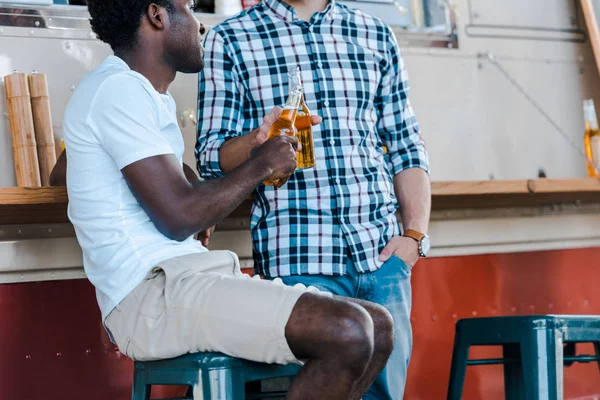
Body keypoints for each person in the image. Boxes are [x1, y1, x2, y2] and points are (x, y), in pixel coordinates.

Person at [55, 1, 394, 399]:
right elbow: (180, 217)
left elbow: (64, 168)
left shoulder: (136, 94)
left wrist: (189, 178)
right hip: (150, 293)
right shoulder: (117, 88)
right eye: (189, 7)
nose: (200, 26)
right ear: (157, 15)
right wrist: (260, 166)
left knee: (379, 327)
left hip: (189, 279)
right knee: (347, 331)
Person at [196, 0, 431, 398]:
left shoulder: (375, 33)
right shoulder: (230, 38)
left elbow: (407, 148)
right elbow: (210, 157)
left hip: (384, 259)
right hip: (300, 263)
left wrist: (414, 238)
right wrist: (258, 142)